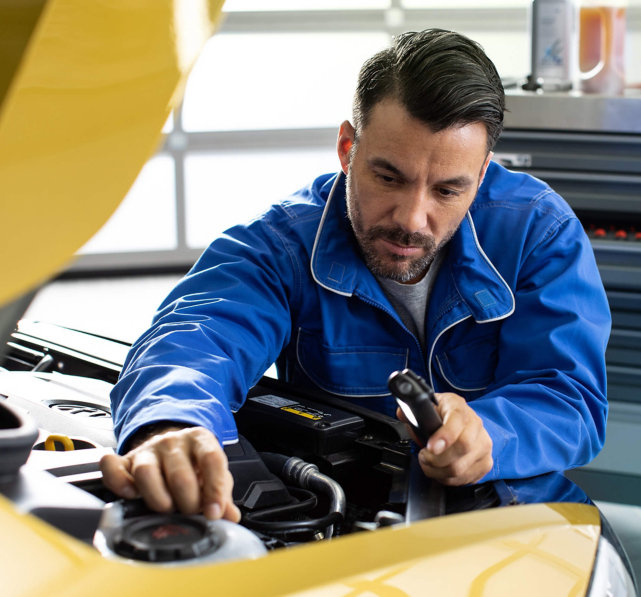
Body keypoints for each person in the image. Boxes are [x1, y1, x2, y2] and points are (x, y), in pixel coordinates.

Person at [100, 29, 611, 524]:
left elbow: (570, 395)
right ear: (348, 150)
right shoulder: (282, 246)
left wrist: (490, 434)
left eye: (447, 191)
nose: (412, 219)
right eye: (389, 178)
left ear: (480, 177)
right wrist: (170, 422)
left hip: (514, 512)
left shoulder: (539, 231)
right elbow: (196, 335)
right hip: (347, 515)